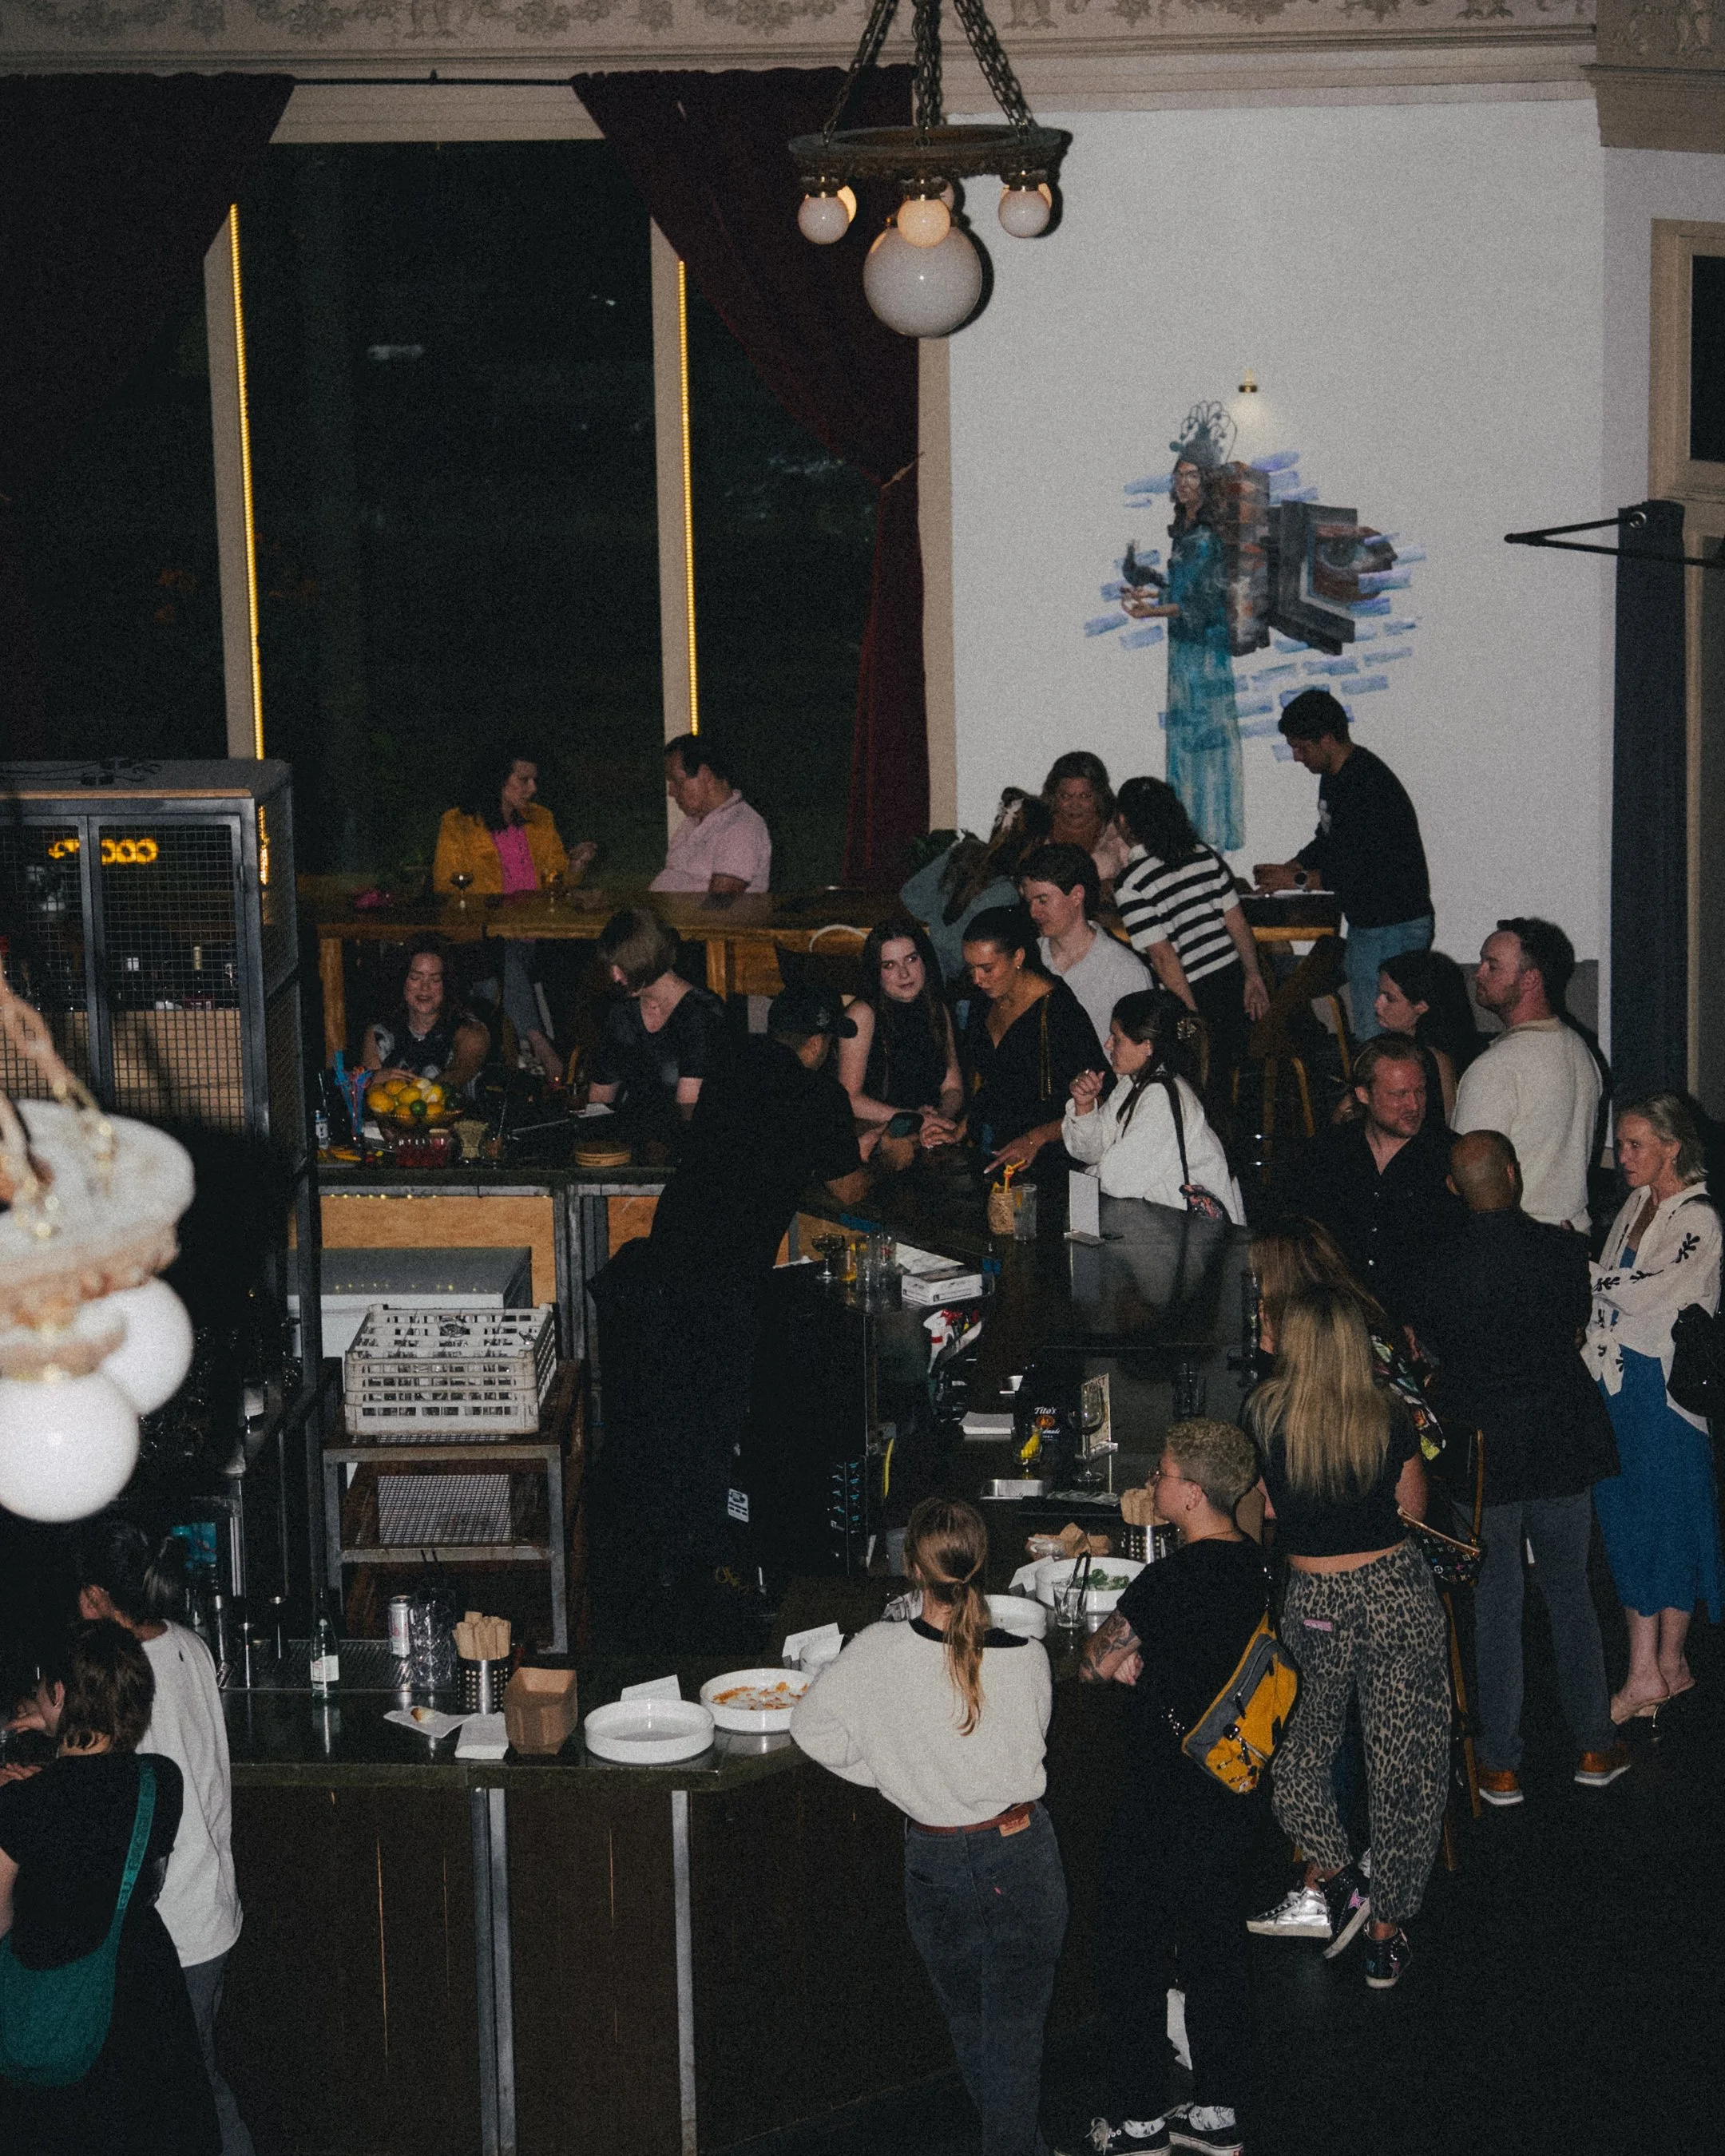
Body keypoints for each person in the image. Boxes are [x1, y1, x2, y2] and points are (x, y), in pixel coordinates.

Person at [791, 1498, 1065, 2156]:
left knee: (972, 2028)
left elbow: (810, 1730)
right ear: (981, 1564)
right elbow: (1032, 1737)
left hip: (934, 1862)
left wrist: (891, 1772)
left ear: (913, 1568)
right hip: (1020, 1853)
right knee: (1016, 2036)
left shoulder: (874, 1651)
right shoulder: (1027, 1655)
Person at [1405, 1133, 1627, 1801]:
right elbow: (1573, 1326)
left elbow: (1434, 1351)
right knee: (1570, 1594)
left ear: (1454, 1187)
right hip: (1559, 1436)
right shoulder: (1563, 1253)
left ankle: (1500, 1762)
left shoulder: (1435, 1265)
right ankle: (1594, 1745)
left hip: (1483, 1452)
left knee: (1495, 1604)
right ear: (1514, 1173)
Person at [1245, 1286, 1449, 1992]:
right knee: (1406, 1766)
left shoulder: (1266, 1416)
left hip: (1314, 1602)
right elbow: (1413, 1512)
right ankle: (1387, 1933)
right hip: (1394, 1593)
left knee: (1294, 1748)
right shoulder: (1389, 1418)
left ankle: (1335, 1872)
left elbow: (1268, 1508)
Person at [1077, 1419, 1268, 2156]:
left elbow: (1095, 1661)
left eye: (1161, 1474)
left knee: (1133, 1952)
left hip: (1162, 1795)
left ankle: (1138, 2123)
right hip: (1229, 1789)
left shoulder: (1169, 1580)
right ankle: (1218, 2112)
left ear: (1190, 1494)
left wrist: (1122, 1659)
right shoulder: (1253, 1568)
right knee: (1216, 1948)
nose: (1153, 1484)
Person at [65, 1520, 252, 2155]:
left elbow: (104, 1795)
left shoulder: (115, 1681)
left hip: (170, 1927)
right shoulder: (190, 1645)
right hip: (212, 1909)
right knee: (196, 2079)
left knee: (180, 2095)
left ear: (94, 1599)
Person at [0, 1619, 218, 2156]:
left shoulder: (22, 1806)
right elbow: (99, 1804)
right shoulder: (160, 1784)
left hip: (59, 1998)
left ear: (58, 1694)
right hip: (144, 1990)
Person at [1585, 1092, 1724, 1724]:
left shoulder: (1700, 1220)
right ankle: (1659, 1668)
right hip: (1618, 1384)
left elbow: (1644, 1294)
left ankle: (1659, 1667)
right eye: (1622, 1142)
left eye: (1637, 1144)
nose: (1623, 1156)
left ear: (1673, 1148)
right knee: (1629, 1520)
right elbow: (1613, 1296)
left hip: (1663, 1392)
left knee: (1668, 1524)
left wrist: (1580, 1271)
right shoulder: (1638, 1204)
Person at [650, 982, 870, 1279]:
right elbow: (849, 1190)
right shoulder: (819, 1093)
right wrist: (888, 1161)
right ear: (817, 1043)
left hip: (671, 1241)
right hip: (730, 1270)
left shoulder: (728, 1066)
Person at [1251, 691, 1433, 1043]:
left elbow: (1362, 868)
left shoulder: (1367, 783)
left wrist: (1298, 879)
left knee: (1379, 1037)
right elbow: (1329, 839)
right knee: (1373, 1033)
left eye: (1301, 748)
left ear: (1327, 739)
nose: (1296, 757)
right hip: (1374, 926)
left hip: (1392, 926)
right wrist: (1289, 869)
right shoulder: (1337, 775)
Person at [1120, 410, 1244, 853]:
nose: (1183, 483)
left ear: (1208, 481)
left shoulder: (1211, 535)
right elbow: (1180, 589)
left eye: (1192, 476)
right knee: (1184, 737)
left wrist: (1151, 613)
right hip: (1185, 651)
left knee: (1204, 739)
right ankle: (1187, 834)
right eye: (1179, 475)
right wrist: (1148, 592)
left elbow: (1204, 601)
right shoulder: (1185, 531)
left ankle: (1208, 834)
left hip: (1205, 652)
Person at [1284, 1033, 1463, 1327]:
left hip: (1423, 1327)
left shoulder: (1450, 1157)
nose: (1414, 1105)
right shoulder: (1327, 1154)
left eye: (1420, 1091)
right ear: (1363, 1095)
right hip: (1339, 1322)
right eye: (1399, 1094)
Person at [1112, 775, 1270, 1104]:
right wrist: (1253, 975)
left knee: (1201, 1094)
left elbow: (1163, 957)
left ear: (1124, 822)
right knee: (1231, 1083)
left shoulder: (1132, 883)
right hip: (1232, 981)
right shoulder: (1202, 855)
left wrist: (1191, 1016)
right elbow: (1236, 922)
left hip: (1191, 992)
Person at [434, 747, 584, 1083]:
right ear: (498, 782)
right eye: (524, 780)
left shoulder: (540, 819)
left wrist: (575, 866)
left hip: (539, 935)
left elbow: (557, 882)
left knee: (510, 961)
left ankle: (520, 1053)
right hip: (485, 935)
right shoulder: (458, 824)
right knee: (501, 955)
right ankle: (539, 1045)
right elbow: (447, 884)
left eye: (534, 780)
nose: (532, 789)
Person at [1454, 917, 1601, 1231]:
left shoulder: (1497, 1067)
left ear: (1530, 979)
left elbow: (1468, 1174)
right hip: (1572, 1235)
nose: (1478, 973)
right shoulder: (1581, 1050)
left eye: (1492, 966)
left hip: (1518, 1244)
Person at [1062, 989, 1244, 1222]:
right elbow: (1092, 1152)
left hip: (1192, 1239)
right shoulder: (1133, 1084)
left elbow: (1119, 1180)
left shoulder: (1163, 1096)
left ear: (1147, 1046)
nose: (1108, 1045)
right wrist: (1085, 1106)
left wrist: (1086, 1174)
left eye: (1116, 1038)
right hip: (1161, 1223)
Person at [958, 906, 1103, 1177]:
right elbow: (995, 1083)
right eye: (971, 969)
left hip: (1050, 1157)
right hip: (996, 1149)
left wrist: (1036, 1138)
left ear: (1018, 957)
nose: (977, 979)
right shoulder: (983, 1000)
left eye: (987, 968)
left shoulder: (1059, 1011)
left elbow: (1103, 1097)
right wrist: (962, 1126)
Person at [585, 907, 727, 1126]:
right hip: (636, 1135)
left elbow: (688, 1113)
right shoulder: (622, 1011)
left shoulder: (700, 1013)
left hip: (689, 1138)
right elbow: (599, 1099)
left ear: (645, 959)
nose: (614, 976)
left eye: (621, 966)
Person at [836, 917, 965, 1158]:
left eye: (911, 959)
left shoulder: (938, 1009)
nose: (904, 973)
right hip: (875, 1135)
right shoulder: (862, 1014)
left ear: (924, 961)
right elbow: (849, 1098)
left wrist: (939, 1118)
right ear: (877, 972)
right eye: (889, 965)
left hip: (925, 1133)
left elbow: (953, 1087)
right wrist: (918, 1118)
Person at [902, 788, 1055, 989]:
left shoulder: (963, 852)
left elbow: (911, 895)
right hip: (962, 987)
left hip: (929, 970)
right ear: (1034, 843)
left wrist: (939, 925)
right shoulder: (1007, 893)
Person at [1018, 842, 1152, 1050]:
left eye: (1043, 900)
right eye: (1029, 902)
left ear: (1077, 895)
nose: (1033, 912)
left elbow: (1144, 1054)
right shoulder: (1026, 960)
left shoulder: (1125, 970)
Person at [361, 935, 489, 1093]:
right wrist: (374, 1079)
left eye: (435, 979)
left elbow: (455, 1077)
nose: (425, 988)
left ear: (446, 984)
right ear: (402, 980)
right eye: (415, 978)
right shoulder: (380, 1033)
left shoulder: (471, 1031)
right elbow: (363, 1091)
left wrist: (414, 1094)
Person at [1372, 949, 1483, 1125]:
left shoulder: (1436, 1059)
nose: (1377, 1004)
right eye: (1380, 993)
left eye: (1390, 998)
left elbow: (1444, 1126)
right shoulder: (1387, 1046)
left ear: (1421, 1007)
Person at [651, 733, 771, 895]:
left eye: (677, 782)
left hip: (694, 920)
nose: (671, 792)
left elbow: (719, 904)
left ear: (705, 776)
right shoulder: (693, 822)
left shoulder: (741, 827)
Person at [1040, 752, 1128, 885]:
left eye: (1084, 796)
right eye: (1065, 796)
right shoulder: (1036, 835)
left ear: (1099, 797)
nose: (1075, 805)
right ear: (1054, 796)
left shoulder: (1118, 835)